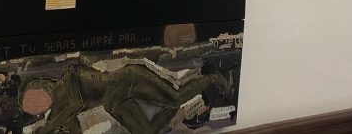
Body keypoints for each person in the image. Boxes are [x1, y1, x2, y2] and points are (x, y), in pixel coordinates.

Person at [20, 64, 229, 134]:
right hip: (114, 102)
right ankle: (180, 111)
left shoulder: (69, 77)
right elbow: (73, 127)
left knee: (174, 97)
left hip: (128, 79)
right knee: (146, 131)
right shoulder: (58, 111)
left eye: (35, 99)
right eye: (36, 108)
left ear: (42, 85)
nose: (39, 106)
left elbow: (76, 103)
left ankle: (213, 78)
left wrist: (47, 128)